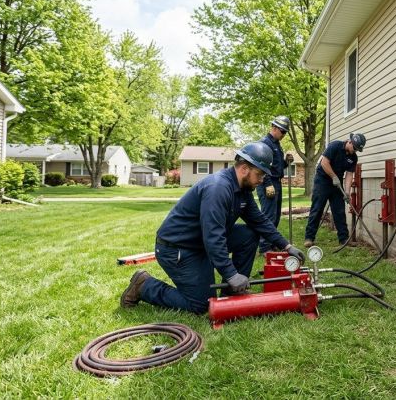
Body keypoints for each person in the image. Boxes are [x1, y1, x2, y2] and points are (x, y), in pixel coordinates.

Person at [120, 142, 304, 314]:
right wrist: (231, 273)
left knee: (248, 234)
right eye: (260, 174)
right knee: (202, 305)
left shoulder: (243, 191)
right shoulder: (218, 188)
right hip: (177, 249)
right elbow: (214, 237)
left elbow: (259, 221)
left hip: (199, 243)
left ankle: (232, 291)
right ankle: (144, 285)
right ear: (244, 169)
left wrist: (286, 246)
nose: (262, 180)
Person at [304, 133, 366, 248]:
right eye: (355, 148)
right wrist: (333, 177)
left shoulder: (353, 157)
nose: (355, 151)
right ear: (350, 142)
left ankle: (344, 239)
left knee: (339, 210)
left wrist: (347, 192)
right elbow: (324, 163)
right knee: (317, 209)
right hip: (322, 181)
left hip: (336, 184)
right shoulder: (335, 146)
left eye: (358, 149)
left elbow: (349, 175)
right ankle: (309, 238)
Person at [257, 115, 289, 255]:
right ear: (274, 128)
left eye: (285, 132)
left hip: (276, 181)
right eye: (282, 131)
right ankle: (264, 247)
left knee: (275, 216)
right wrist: (268, 184)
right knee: (268, 215)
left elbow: (277, 166)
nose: (284, 135)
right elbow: (262, 166)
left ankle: (271, 243)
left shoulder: (276, 144)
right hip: (267, 182)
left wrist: (287, 162)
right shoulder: (265, 143)